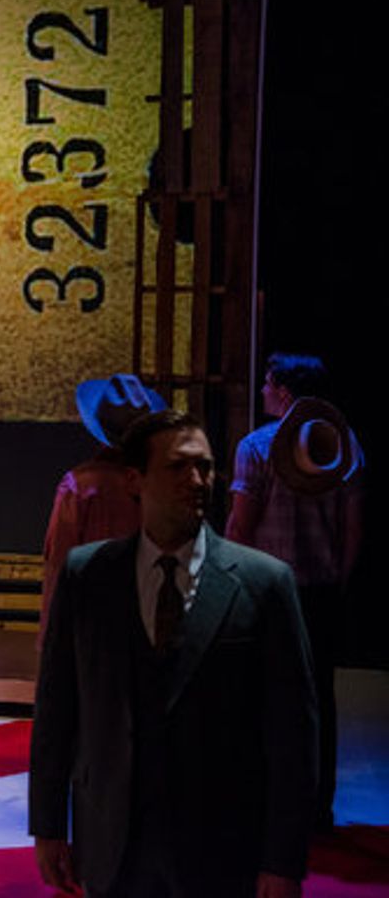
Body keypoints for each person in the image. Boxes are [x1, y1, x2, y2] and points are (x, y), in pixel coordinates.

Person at [30, 410, 317, 898]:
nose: (198, 480)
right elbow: (58, 707)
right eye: (178, 467)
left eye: (205, 467)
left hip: (222, 846)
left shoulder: (264, 583)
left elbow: (294, 733)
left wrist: (283, 859)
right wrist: (49, 824)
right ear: (134, 480)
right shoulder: (88, 575)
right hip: (113, 842)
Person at [225, 353, 363, 831]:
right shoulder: (344, 444)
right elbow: (352, 528)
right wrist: (338, 580)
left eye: (267, 383)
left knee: (261, 696)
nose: (263, 390)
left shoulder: (257, 447)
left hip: (266, 591)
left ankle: (262, 802)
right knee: (318, 699)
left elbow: (242, 524)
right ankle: (317, 807)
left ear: (284, 391)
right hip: (321, 592)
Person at [39, 374, 164, 645]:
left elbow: (59, 564)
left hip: (93, 622)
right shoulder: (162, 482)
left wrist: (51, 637)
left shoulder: (80, 487)